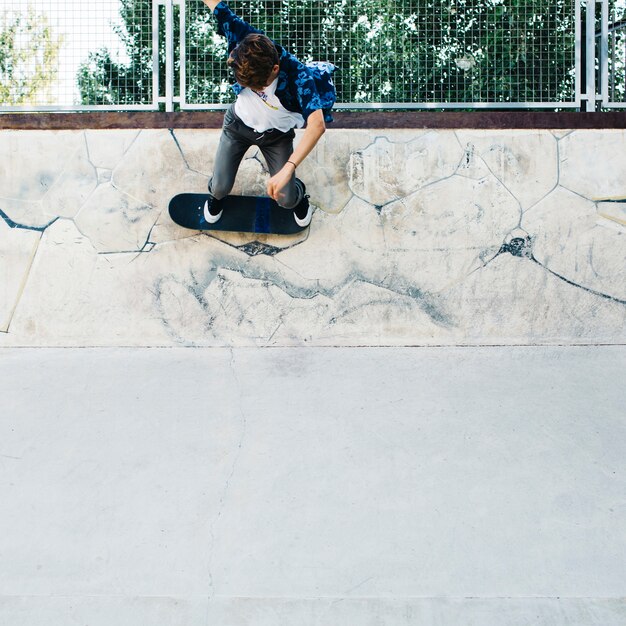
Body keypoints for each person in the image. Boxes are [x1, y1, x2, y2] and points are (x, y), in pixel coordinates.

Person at [201, 0, 336, 227]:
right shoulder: (245, 39)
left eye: (258, 87)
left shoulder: (299, 77)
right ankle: (215, 196)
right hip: (238, 127)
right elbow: (217, 6)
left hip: (277, 137)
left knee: (286, 198)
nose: (255, 91)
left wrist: (288, 169)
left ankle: (298, 195)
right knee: (219, 187)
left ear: (275, 69)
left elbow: (317, 125)